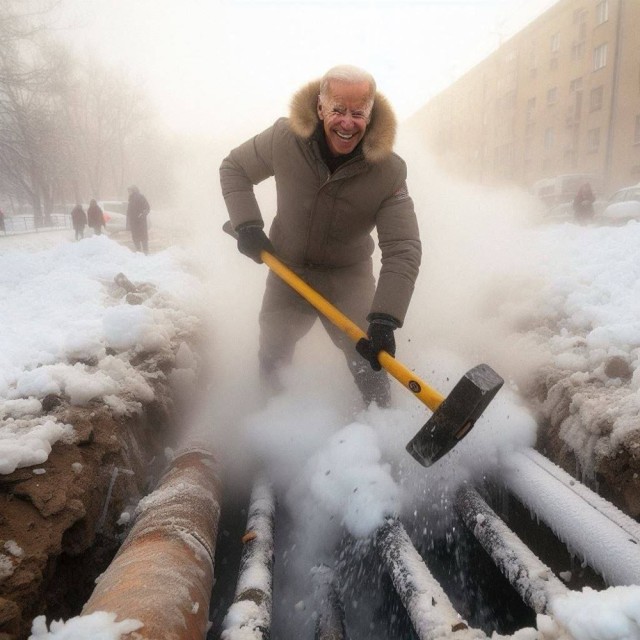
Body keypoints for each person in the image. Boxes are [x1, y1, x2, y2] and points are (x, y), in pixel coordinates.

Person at [220, 65, 421, 408]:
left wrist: (385, 317)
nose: (347, 122)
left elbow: (402, 247)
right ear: (319, 108)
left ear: (370, 116)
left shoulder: (389, 171)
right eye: (338, 110)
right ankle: (271, 422)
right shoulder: (284, 139)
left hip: (348, 277)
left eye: (358, 113)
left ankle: (381, 426)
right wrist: (248, 225)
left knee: (369, 359)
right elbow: (234, 168)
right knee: (274, 349)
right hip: (288, 269)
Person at [126, 185, 150, 254]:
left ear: (133, 190)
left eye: (129, 191)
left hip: (140, 222)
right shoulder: (131, 199)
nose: (128, 192)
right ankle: (139, 252)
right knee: (136, 237)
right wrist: (128, 221)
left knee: (142, 237)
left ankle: (145, 252)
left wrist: (142, 215)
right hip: (134, 222)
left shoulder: (140, 197)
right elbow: (129, 211)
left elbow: (147, 208)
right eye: (128, 191)